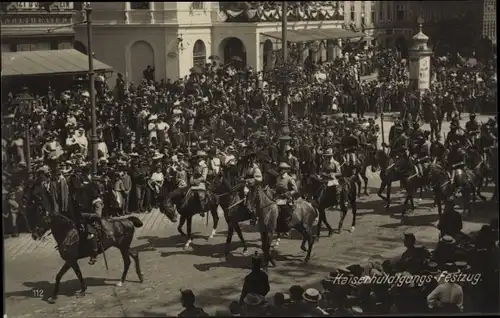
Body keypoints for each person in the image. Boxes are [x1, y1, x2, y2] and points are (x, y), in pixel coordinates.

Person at [274, 162, 298, 235]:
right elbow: (276, 187)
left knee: (283, 211)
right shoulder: (278, 178)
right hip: (278, 197)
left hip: (287, 198)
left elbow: (295, 190)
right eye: (280, 169)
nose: (280, 171)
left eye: (282, 169)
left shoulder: (289, 179)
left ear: (285, 170)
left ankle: (286, 227)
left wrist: (287, 194)